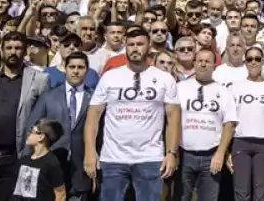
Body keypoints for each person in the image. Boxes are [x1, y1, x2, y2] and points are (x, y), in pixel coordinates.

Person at [84, 27, 181, 201]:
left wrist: (171, 153)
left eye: (140, 44)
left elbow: (173, 118)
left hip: (150, 158)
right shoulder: (110, 77)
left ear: (149, 46)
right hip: (113, 158)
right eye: (131, 44)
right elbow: (93, 116)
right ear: (125, 46)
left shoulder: (165, 78)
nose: (135, 48)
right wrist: (90, 151)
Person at [0, 30, 49, 201]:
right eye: (9, 48)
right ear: (1, 50)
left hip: (15, 158)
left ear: (25, 51)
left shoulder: (40, 79)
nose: (13, 52)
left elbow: (42, 116)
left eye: (18, 48)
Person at [169, 47, 237, 201]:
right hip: (184, 154)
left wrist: (220, 153)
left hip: (211, 156)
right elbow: (171, 120)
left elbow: (229, 124)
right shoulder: (179, 88)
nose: (203, 64)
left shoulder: (224, 92)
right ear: (194, 63)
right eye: (200, 61)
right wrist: (172, 152)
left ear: (214, 66)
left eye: (207, 61)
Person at [25, 52, 94, 201]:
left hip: (81, 168)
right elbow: (31, 128)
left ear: (87, 70)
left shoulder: (94, 98)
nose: (76, 71)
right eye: (72, 67)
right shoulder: (48, 96)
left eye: (80, 67)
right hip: (51, 165)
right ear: (65, 69)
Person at [228, 45, 264, 201]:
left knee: (261, 194)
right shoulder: (235, 87)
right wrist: (227, 150)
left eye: (257, 59)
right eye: (249, 59)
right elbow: (229, 120)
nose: (253, 62)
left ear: (263, 62)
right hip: (240, 142)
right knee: (241, 193)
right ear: (245, 62)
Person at [13, 118, 66, 201]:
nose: (28, 133)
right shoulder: (24, 160)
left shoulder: (51, 162)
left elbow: (61, 195)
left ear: (41, 137)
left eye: (32, 131)